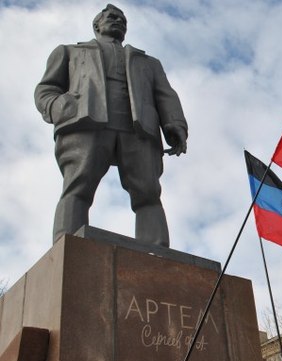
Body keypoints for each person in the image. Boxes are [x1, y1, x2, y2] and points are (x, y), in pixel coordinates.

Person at [34, 4, 188, 247]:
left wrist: (175, 123)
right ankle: (68, 243)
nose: (118, 21)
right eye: (112, 17)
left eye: (122, 20)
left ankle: (157, 250)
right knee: (78, 185)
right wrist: (60, 107)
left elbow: (165, 94)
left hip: (138, 128)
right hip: (86, 124)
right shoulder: (69, 52)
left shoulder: (148, 62)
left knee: (148, 192)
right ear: (97, 25)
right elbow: (46, 89)